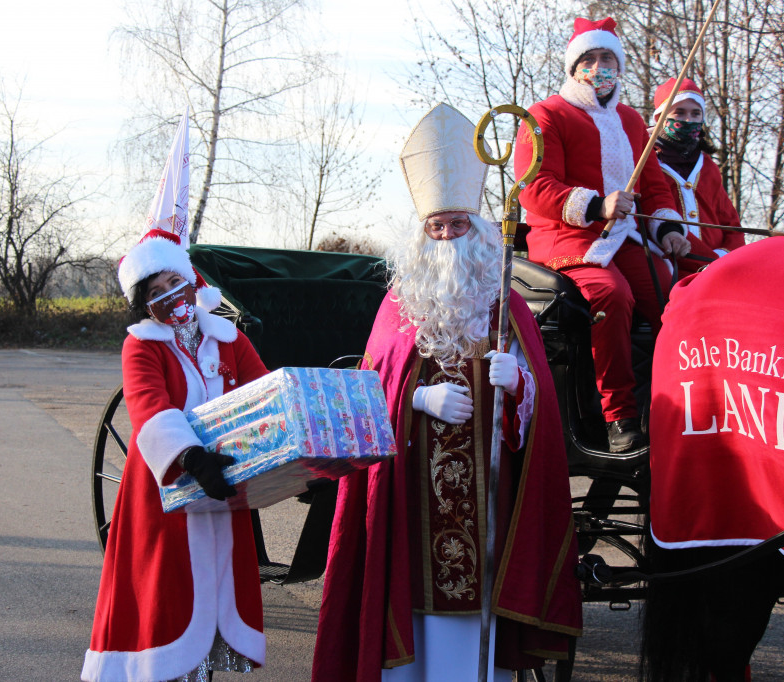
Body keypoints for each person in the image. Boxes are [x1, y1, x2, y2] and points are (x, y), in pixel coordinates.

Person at [312, 103, 582, 682]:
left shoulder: (504, 306)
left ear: (478, 230)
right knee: (412, 600)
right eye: (437, 227)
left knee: (471, 634)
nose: (447, 238)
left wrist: (521, 388)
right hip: (411, 499)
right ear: (422, 233)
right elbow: (371, 386)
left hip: (488, 503)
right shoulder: (398, 305)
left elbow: (539, 423)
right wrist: (414, 400)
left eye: (457, 225)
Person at [82, 228, 269, 682]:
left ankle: (201, 669)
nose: (169, 295)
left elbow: (263, 391)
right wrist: (190, 458)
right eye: (155, 291)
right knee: (168, 591)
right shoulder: (141, 345)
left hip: (225, 479)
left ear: (190, 279)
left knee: (217, 586)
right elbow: (149, 405)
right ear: (144, 303)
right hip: (166, 486)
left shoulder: (229, 339)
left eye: (172, 282)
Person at [514, 16, 690, 453]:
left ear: (620, 66)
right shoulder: (545, 115)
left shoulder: (631, 120)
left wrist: (668, 228)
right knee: (612, 296)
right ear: (574, 68)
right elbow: (534, 188)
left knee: (675, 297)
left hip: (624, 239)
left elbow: (652, 187)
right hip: (564, 239)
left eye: (607, 58)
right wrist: (597, 204)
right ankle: (619, 417)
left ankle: (680, 405)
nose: (599, 66)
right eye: (589, 59)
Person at [651, 77, 745, 278]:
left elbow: (731, 226)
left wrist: (722, 256)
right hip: (668, 263)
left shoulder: (708, 165)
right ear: (660, 117)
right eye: (679, 112)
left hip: (716, 267)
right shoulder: (646, 161)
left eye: (695, 114)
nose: (688, 120)